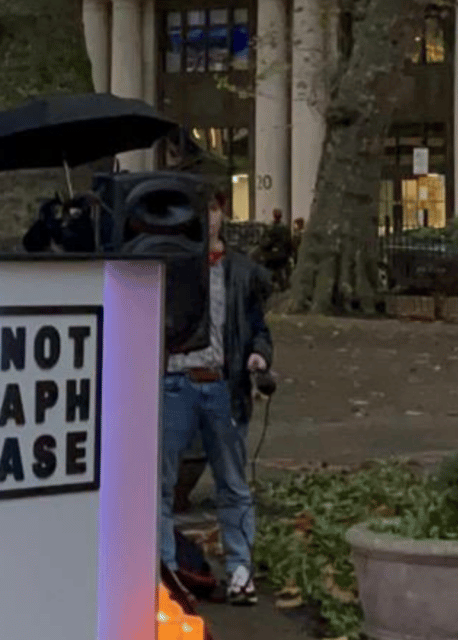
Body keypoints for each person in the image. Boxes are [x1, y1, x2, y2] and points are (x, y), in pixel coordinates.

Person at [160, 190, 273, 606]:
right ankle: (169, 574)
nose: (206, 220)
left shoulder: (242, 272)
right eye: (197, 212)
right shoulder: (171, 266)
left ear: (221, 213)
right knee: (162, 484)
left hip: (223, 385)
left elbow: (258, 327)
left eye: (211, 210)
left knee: (233, 482)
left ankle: (241, 569)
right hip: (174, 382)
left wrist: (259, 356)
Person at [258, 209, 292, 291]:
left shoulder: (270, 228)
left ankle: (269, 287)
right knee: (280, 272)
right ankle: (282, 286)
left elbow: (264, 242)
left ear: (274, 216)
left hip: (271, 256)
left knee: (269, 272)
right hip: (281, 255)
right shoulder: (285, 228)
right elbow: (288, 242)